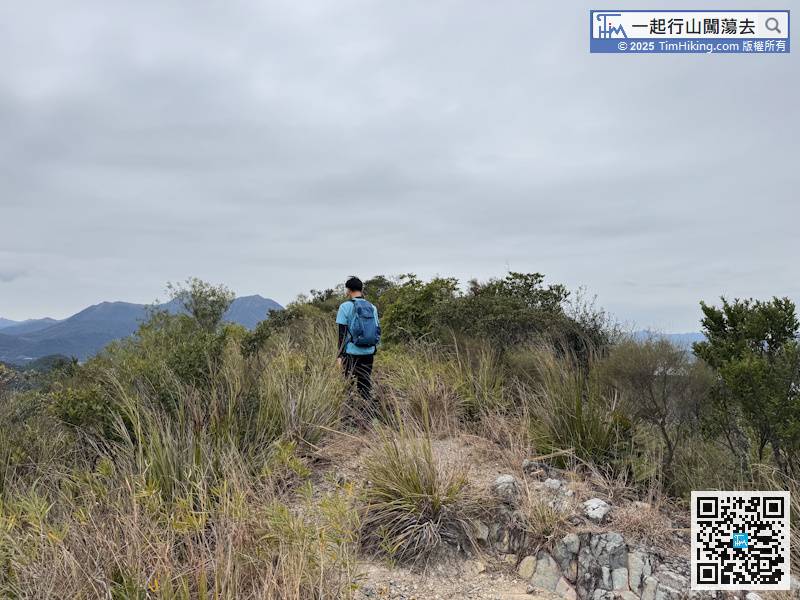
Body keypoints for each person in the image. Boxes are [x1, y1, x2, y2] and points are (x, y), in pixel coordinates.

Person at [336, 276, 380, 404]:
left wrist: (339, 356)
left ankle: (348, 416)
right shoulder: (372, 307)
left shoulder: (345, 307)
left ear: (348, 290)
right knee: (365, 384)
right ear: (361, 289)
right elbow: (376, 329)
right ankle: (367, 414)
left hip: (351, 352)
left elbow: (342, 334)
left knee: (347, 385)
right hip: (368, 351)